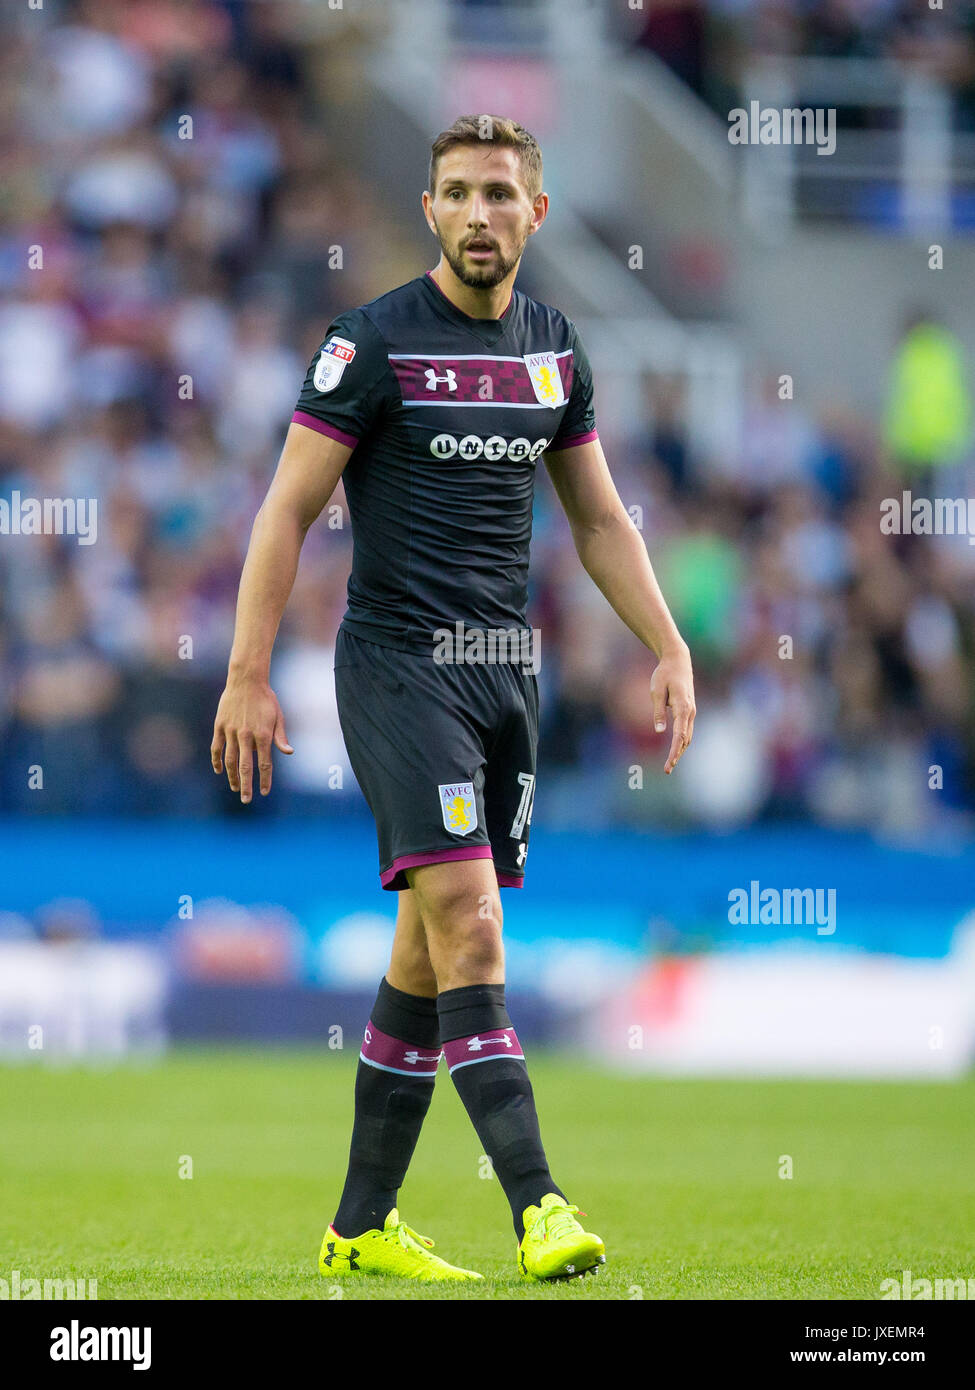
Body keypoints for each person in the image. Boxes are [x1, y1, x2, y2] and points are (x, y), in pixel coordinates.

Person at [210, 114, 696, 1283]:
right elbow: (284, 511)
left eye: (500, 193)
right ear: (429, 209)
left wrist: (669, 642)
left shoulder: (553, 350)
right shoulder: (370, 343)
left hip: (503, 680)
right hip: (396, 668)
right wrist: (244, 671)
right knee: (472, 922)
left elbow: (594, 518)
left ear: (537, 210)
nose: (480, 213)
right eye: (459, 193)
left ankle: (360, 1223)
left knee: (431, 954)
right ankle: (539, 1206)